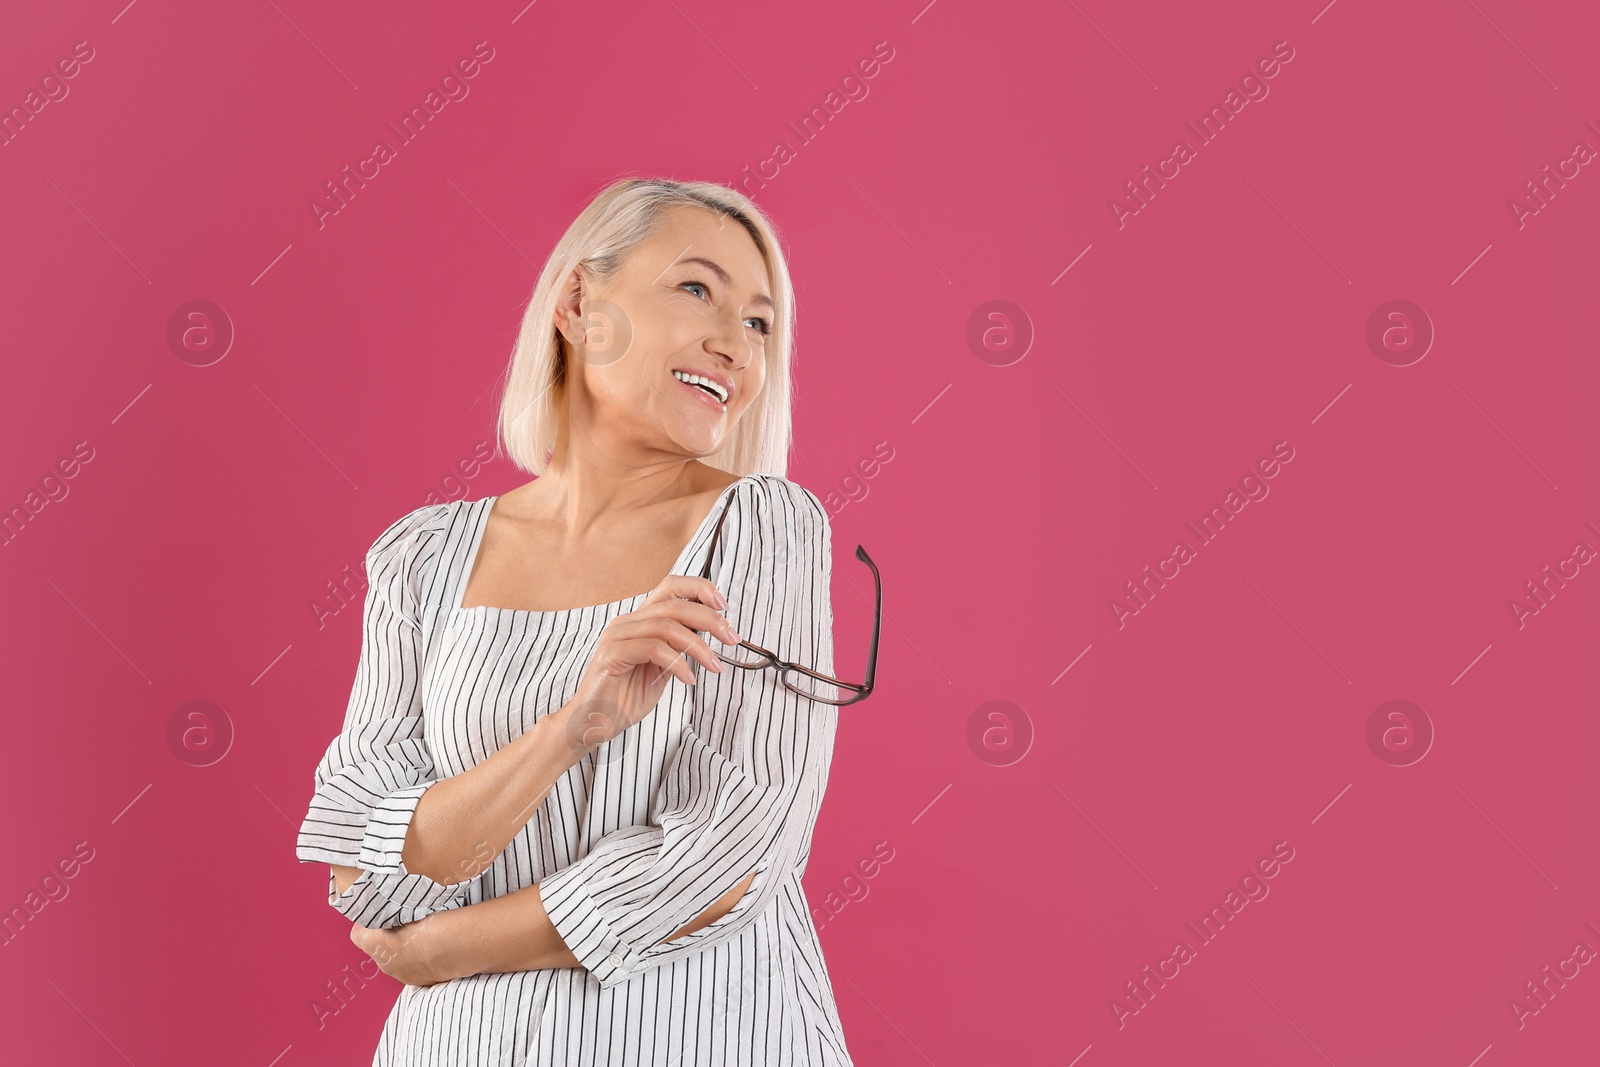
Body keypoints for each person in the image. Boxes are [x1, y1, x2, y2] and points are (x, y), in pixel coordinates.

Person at [294, 178, 854, 1065]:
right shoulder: (421, 557)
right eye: (697, 288)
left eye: (759, 322)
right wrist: (569, 731)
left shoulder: (762, 525)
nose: (735, 344)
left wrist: (446, 945)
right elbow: (365, 873)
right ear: (580, 303)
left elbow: (730, 854)